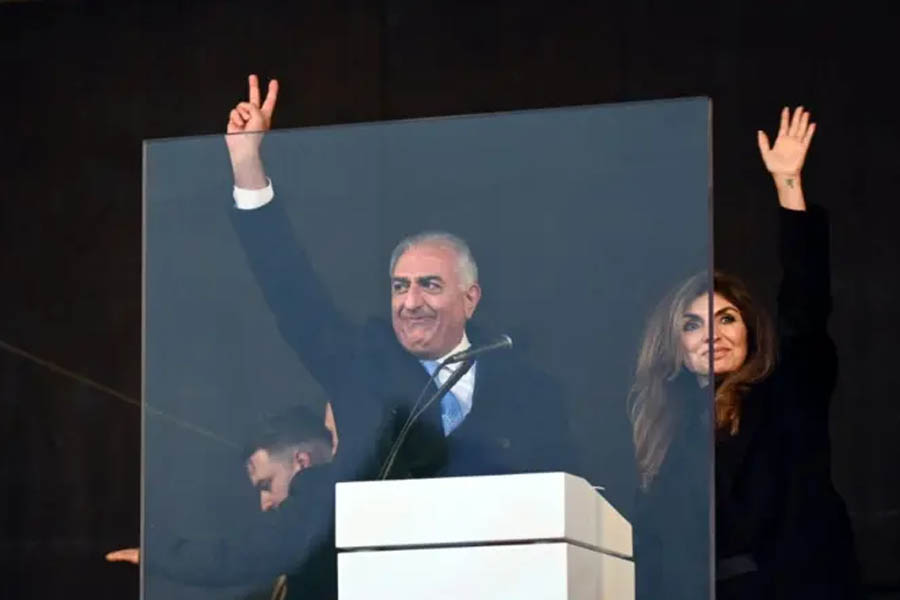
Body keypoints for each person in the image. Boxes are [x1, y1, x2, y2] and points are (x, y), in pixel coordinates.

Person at [224, 74, 577, 481]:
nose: (410, 303)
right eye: (399, 286)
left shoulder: (529, 390)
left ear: (470, 297)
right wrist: (246, 162)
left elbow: (567, 495)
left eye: (429, 284)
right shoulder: (360, 365)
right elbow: (291, 290)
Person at [627, 106, 859, 599]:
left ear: (750, 331)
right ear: (677, 348)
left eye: (725, 318)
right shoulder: (669, 430)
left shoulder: (789, 390)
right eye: (692, 325)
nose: (711, 334)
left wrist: (788, 186)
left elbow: (805, 306)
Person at [107, 405, 338, 599]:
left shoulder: (318, 520)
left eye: (266, 485)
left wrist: (157, 556)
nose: (264, 504)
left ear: (302, 462)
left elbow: (238, 556)